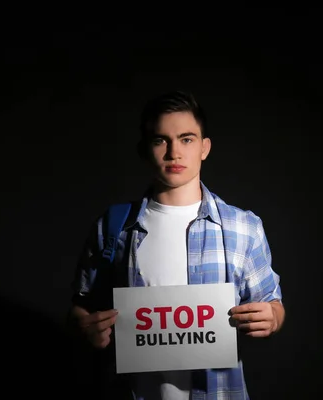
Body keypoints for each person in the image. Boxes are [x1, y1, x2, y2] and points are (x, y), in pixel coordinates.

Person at [67, 90, 285, 400]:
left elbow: (272, 303)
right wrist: (84, 327)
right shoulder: (112, 227)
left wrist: (272, 318)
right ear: (145, 150)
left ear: (204, 148)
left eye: (186, 139)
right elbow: (81, 306)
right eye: (160, 140)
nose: (174, 153)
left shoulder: (244, 227)